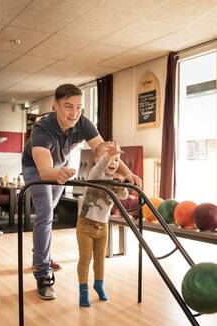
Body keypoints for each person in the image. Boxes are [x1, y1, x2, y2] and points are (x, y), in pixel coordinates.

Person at [22, 84, 142, 300]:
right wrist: (56, 174)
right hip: (37, 168)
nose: (74, 113)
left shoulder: (83, 123)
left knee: (49, 212)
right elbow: (44, 169)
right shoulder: (42, 130)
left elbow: (106, 151)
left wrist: (129, 174)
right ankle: (42, 272)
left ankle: (41, 257)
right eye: (68, 107)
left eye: (79, 108)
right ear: (55, 106)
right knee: (46, 213)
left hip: (61, 167)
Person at [76, 141, 128, 307]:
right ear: (98, 160)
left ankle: (99, 285)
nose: (113, 163)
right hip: (85, 225)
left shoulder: (113, 181)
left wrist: (123, 181)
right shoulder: (94, 175)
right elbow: (101, 165)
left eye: (117, 160)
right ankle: (83, 290)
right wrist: (109, 155)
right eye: (110, 159)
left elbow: (125, 195)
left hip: (103, 226)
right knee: (85, 258)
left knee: (100, 258)